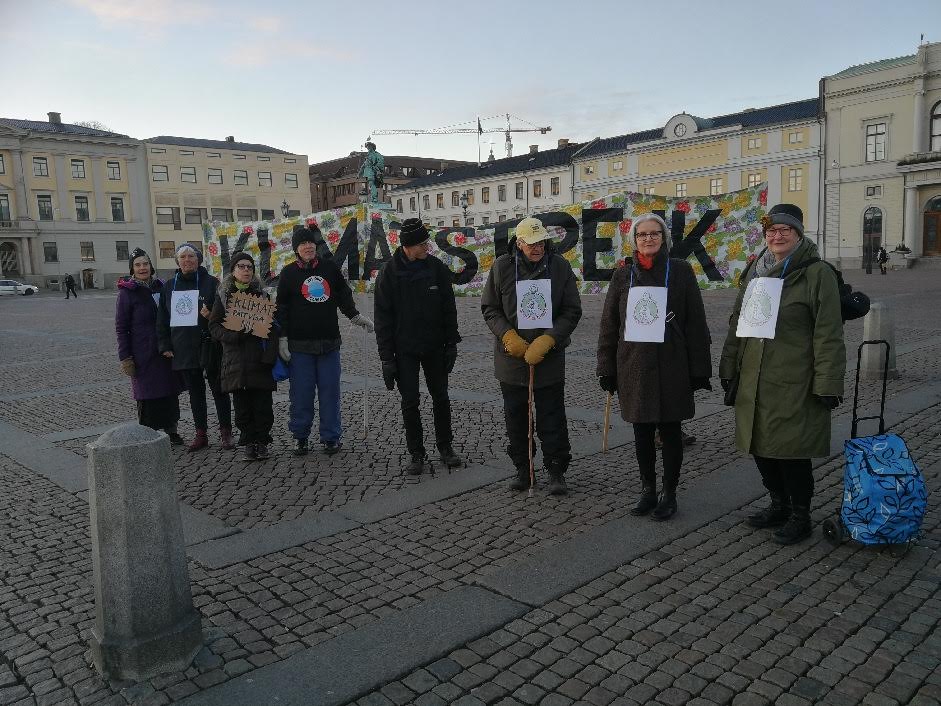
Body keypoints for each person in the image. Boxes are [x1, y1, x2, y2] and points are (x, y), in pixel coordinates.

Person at [719, 204, 846, 545]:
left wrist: (828, 381)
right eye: (771, 231)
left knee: (791, 450)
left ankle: (800, 515)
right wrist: (728, 368)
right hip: (754, 375)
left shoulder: (817, 273)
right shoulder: (755, 271)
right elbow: (738, 323)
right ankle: (778, 503)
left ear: (798, 234)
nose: (777, 236)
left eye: (784, 230)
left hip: (795, 378)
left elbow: (828, 332)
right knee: (759, 444)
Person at [596, 214, 712, 521]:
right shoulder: (622, 276)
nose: (649, 239)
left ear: (664, 238)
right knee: (642, 433)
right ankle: (647, 490)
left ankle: (669, 493)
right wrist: (606, 367)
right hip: (633, 365)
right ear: (634, 240)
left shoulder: (682, 272)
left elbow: (696, 323)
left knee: (671, 432)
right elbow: (609, 325)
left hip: (672, 364)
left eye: (654, 234)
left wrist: (699, 369)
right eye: (643, 234)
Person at [482, 216, 582, 495]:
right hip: (511, 359)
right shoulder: (502, 267)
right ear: (519, 242)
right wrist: (507, 336)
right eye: (531, 242)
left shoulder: (560, 267)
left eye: (541, 242)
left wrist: (550, 338)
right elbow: (490, 308)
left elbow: (572, 310)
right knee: (516, 417)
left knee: (552, 416)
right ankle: (523, 468)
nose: (537, 247)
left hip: (548, 356)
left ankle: (556, 469)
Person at [374, 218, 462, 475]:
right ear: (408, 246)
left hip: (435, 345)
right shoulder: (389, 272)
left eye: (427, 242)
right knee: (410, 401)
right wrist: (386, 358)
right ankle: (417, 453)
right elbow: (383, 318)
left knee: (441, 397)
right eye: (423, 243)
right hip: (405, 349)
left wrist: (452, 343)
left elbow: (449, 309)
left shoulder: (436, 268)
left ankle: (445, 447)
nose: (427, 247)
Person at [276, 227, 374, 456]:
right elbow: (282, 308)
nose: (308, 247)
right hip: (300, 347)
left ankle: (331, 437)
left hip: (329, 344)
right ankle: (301, 436)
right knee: (301, 394)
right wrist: (282, 337)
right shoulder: (289, 273)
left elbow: (342, 294)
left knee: (330, 393)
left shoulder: (329, 268)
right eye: (303, 244)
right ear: (296, 249)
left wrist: (355, 316)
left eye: (311, 243)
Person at [156, 243, 234, 452]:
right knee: (195, 393)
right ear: (178, 262)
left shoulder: (211, 283)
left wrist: (211, 316)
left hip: (210, 344)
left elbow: (225, 313)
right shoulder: (169, 286)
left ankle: (226, 432)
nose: (187, 260)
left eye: (191, 256)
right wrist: (164, 344)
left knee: (219, 390)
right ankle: (201, 433)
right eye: (183, 257)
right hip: (183, 346)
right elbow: (162, 318)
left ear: (198, 260)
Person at [209, 253, 278, 461]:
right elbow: (213, 326)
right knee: (242, 408)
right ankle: (249, 443)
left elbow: (274, 328)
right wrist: (232, 336)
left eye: (250, 267)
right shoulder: (223, 296)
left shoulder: (263, 296)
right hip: (236, 361)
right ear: (233, 270)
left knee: (263, 407)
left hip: (260, 360)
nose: (246, 270)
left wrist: (270, 355)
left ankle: (263, 442)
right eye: (242, 266)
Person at [115, 248, 184, 443]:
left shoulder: (161, 286)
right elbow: (121, 328)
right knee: (147, 395)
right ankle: (148, 434)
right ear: (132, 269)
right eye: (138, 264)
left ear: (151, 266)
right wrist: (125, 357)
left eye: (145, 263)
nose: (142, 267)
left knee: (169, 392)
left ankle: (171, 430)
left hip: (165, 349)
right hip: (142, 353)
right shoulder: (127, 293)